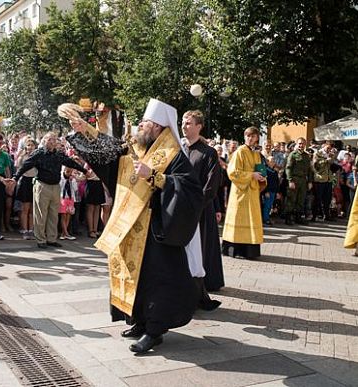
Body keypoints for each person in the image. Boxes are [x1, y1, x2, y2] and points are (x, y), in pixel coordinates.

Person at [66, 99, 203, 353]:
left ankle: (154, 330)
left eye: (146, 122)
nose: (141, 125)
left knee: (156, 281)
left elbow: (190, 190)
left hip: (156, 229)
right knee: (135, 278)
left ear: (159, 127)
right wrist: (84, 129)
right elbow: (108, 152)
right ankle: (139, 320)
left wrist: (154, 176)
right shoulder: (136, 146)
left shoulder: (173, 153)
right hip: (129, 225)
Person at [14, 132, 88, 249]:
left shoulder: (59, 154)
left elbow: (70, 162)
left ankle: (51, 239)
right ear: (44, 141)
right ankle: (41, 239)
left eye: (54, 140)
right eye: (50, 139)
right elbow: (25, 165)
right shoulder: (38, 153)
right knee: (41, 214)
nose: (52, 142)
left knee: (53, 214)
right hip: (42, 185)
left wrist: (83, 171)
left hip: (55, 186)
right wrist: (15, 177)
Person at [181, 110, 224, 306]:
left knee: (199, 252)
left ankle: (197, 292)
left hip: (199, 210)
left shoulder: (208, 153)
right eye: (183, 122)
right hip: (179, 210)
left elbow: (211, 184)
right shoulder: (178, 150)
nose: (184, 125)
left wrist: (196, 204)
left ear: (199, 126)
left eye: (188, 123)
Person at [222, 127, 267, 259]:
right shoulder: (239, 152)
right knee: (239, 219)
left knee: (252, 220)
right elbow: (232, 172)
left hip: (252, 192)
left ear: (257, 138)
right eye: (248, 136)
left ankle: (250, 251)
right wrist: (251, 175)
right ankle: (235, 250)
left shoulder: (257, 154)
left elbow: (261, 171)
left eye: (253, 136)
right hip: (241, 193)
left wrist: (262, 178)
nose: (250, 138)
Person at [284, 137, 313, 225]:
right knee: (291, 199)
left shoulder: (306, 156)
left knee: (301, 199)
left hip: (303, 180)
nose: (301, 145)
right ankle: (288, 218)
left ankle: (298, 217)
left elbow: (309, 170)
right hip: (294, 179)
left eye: (303, 144)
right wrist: (290, 180)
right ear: (297, 144)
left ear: (305, 145)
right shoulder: (292, 154)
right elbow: (288, 168)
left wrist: (310, 181)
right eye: (299, 143)